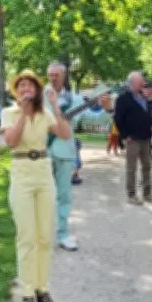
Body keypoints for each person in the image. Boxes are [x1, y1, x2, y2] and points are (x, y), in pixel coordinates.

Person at [1, 69, 72, 302]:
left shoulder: (46, 113)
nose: (25, 89)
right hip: (21, 174)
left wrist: (55, 105)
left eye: (29, 85)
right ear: (15, 91)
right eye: (20, 86)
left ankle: (43, 289)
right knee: (26, 237)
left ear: (37, 90)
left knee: (44, 236)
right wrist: (22, 112)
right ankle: (27, 293)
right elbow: (11, 141)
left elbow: (65, 134)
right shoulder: (8, 113)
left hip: (43, 173)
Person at [44, 62, 111, 251]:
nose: (53, 78)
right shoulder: (39, 97)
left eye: (56, 74)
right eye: (50, 74)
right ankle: (40, 235)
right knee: (41, 195)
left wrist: (107, 109)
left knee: (63, 195)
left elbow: (93, 119)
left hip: (65, 153)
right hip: (43, 152)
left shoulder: (75, 100)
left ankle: (63, 234)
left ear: (64, 76)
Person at [114, 71, 152, 204]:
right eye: (141, 82)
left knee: (147, 166)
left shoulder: (144, 97)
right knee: (132, 168)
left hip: (146, 137)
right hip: (132, 139)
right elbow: (118, 118)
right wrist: (125, 135)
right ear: (133, 83)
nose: (143, 84)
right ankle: (132, 195)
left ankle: (147, 193)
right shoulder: (123, 98)